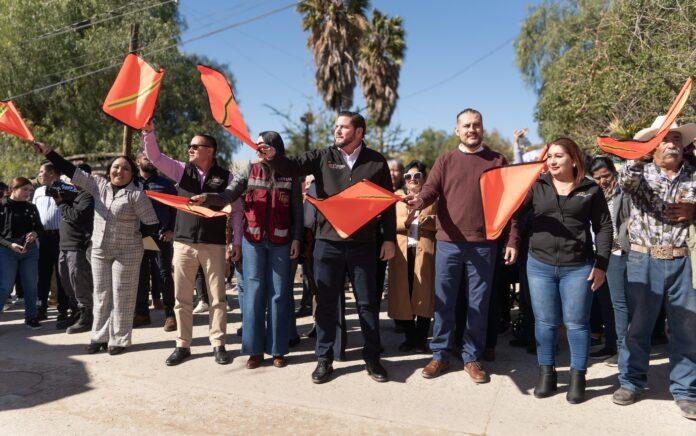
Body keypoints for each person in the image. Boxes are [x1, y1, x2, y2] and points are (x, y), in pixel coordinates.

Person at [259, 111, 396, 384]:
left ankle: (372, 358)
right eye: (336, 127)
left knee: (368, 304)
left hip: (364, 245)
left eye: (344, 127)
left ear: (359, 132)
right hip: (327, 244)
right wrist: (273, 155)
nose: (338, 131)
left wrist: (389, 238)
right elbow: (291, 166)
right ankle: (324, 359)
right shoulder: (323, 156)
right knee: (325, 304)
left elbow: (387, 204)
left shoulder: (377, 162)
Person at [407, 108, 518, 383]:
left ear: (482, 128)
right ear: (457, 130)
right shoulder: (445, 160)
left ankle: (471, 357)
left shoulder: (497, 160)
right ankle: (440, 355)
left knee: (478, 304)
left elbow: (510, 203)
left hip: (483, 245)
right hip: (448, 244)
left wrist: (512, 239)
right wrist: (418, 202)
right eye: (466, 125)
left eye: (476, 125)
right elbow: (430, 189)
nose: (472, 130)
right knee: (443, 303)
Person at [35, 142, 159, 354]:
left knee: (122, 294)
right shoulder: (98, 185)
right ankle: (99, 336)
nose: (120, 171)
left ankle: (119, 339)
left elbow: (152, 224)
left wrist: (134, 237)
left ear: (132, 174)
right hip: (100, 250)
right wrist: (49, 152)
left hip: (127, 251)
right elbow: (69, 170)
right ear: (109, 170)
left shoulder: (137, 195)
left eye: (126, 168)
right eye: (116, 167)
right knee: (101, 294)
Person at [192, 131, 303, 369]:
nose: (259, 148)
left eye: (264, 145)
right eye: (257, 145)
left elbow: (297, 209)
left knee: (279, 294)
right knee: (253, 294)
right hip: (253, 241)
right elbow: (227, 195)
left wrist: (297, 239)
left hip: (281, 241)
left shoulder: (291, 172)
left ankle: (277, 350)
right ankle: (254, 350)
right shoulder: (248, 170)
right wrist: (208, 198)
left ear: (275, 148)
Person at [514, 138, 613, 404]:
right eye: (550, 156)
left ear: (573, 159)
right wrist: (511, 240)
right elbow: (512, 212)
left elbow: (604, 227)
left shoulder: (590, 188)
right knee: (545, 323)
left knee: (577, 324)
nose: (553, 161)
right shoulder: (536, 185)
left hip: (578, 267)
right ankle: (547, 374)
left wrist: (601, 264)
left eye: (558, 156)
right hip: (539, 265)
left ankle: (578, 377)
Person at [614, 116, 696, 420]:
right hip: (642, 260)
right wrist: (639, 151)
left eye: (676, 139)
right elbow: (624, 182)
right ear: (653, 145)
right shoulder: (640, 173)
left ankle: (686, 390)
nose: (672, 144)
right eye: (665, 138)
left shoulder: (694, 175)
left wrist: (694, 209)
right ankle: (631, 382)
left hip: (682, 260)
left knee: (687, 327)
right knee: (638, 326)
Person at [141, 120, 243, 366]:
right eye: (190, 146)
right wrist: (149, 132)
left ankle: (218, 343)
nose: (190, 149)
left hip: (215, 243)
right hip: (184, 243)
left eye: (196, 146)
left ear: (210, 150)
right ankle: (182, 344)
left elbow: (237, 210)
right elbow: (154, 157)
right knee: (182, 298)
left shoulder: (226, 177)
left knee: (217, 298)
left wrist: (236, 242)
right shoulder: (180, 170)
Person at [388, 160, 436, 353]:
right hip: (402, 253)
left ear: (424, 178)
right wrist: (406, 222)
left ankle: (421, 339)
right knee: (403, 295)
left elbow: (442, 221)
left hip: (425, 251)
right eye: (408, 176)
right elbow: (390, 223)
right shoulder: (396, 198)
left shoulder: (433, 198)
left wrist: (429, 220)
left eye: (417, 176)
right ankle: (410, 338)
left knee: (424, 295)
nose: (413, 180)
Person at [588, 156, 631, 365]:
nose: (602, 181)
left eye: (606, 176)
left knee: (619, 304)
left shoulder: (624, 192)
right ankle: (611, 345)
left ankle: (624, 352)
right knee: (604, 302)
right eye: (597, 178)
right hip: (599, 255)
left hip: (618, 254)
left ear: (614, 171)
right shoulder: (594, 195)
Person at [134, 152, 178, 332]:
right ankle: (142, 313)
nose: (150, 160)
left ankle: (170, 315)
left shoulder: (166, 184)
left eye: (151, 157)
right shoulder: (132, 184)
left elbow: (176, 208)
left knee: (164, 274)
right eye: (145, 157)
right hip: (139, 236)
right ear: (137, 162)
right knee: (141, 274)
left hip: (161, 236)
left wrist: (171, 229)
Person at [55, 163, 95, 333]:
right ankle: (78, 312)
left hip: (77, 245)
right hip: (64, 246)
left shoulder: (88, 195)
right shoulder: (72, 194)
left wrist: (61, 203)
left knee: (79, 281)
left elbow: (76, 216)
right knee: (66, 280)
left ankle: (87, 317)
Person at [0, 177, 43, 329]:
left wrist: (35, 234)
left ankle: (31, 317)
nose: (28, 193)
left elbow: (39, 227)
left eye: (30, 190)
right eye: (25, 189)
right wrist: (9, 244)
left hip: (29, 250)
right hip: (6, 249)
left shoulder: (31, 208)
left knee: (31, 285)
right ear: (13, 189)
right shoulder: (2, 206)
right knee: (5, 286)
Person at [33, 161, 67, 320]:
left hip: (60, 235)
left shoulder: (65, 187)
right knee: (43, 274)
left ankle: (63, 309)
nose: (39, 174)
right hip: (42, 237)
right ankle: (41, 307)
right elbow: (34, 213)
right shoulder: (38, 191)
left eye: (42, 172)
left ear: (52, 173)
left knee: (61, 274)